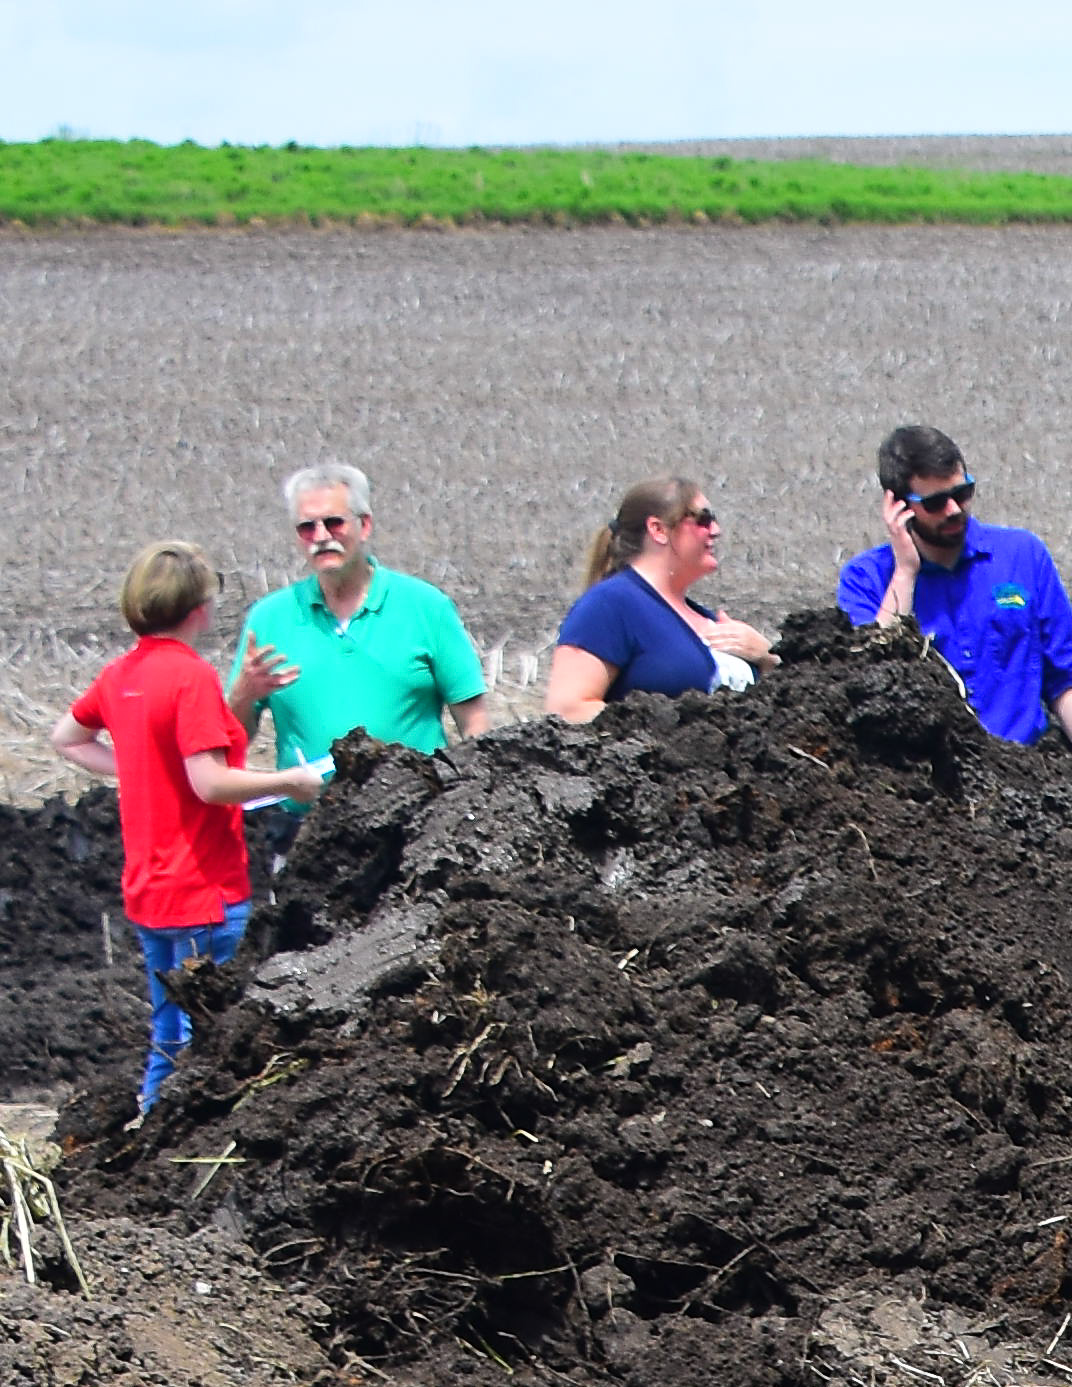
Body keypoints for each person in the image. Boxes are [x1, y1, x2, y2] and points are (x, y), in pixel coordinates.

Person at [54, 541, 324, 1110]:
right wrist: (289, 781)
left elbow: (68, 741)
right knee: (217, 1040)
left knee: (168, 1036)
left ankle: (152, 1138)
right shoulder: (189, 676)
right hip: (205, 893)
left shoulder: (120, 675)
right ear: (200, 608)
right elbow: (210, 782)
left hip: (149, 892)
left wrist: (141, 768)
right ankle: (196, 1148)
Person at [836, 424, 1072, 769]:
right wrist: (906, 572)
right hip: (927, 782)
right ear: (899, 507)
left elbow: (1066, 678)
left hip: (1026, 770)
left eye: (962, 493)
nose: (954, 509)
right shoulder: (865, 580)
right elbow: (874, 679)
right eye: (936, 502)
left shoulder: (1023, 555)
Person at [239, 463, 500, 756]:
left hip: (417, 799)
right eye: (307, 527)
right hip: (310, 802)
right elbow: (234, 737)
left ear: (364, 526)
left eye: (334, 523)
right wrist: (242, 695)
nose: (321, 536)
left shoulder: (426, 608)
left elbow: (474, 722)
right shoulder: (270, 618)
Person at [542, 481, 774, 720]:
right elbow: (568, 710)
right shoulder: (609, 605)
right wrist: (667, 729)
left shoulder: (707, 619)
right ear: (658, 530)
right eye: (703, 519)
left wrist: (768, 657)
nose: (715, 530)